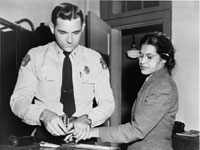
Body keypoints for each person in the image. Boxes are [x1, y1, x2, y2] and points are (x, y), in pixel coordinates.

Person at [10, 2, 115, 143]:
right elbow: (18, 100)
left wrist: (88, 118)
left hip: (83, 137)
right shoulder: (35, 57)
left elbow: (108, 103)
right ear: (52, 28)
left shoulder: (95, 59)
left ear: (83, 28)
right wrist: (43, 115)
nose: (70, 40)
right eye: (63, 32)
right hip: (44, 138)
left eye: (76, 32)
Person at [75, 32, 178, 150]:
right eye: (141, 55)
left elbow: (137, 130)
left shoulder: (163, 87)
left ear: (164, 59)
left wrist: (91, 132)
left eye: (149, 57)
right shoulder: (153, 81)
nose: (142, 61)